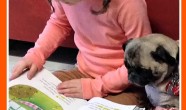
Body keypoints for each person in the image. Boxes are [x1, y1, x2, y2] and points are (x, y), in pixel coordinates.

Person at [10, 0, 152, 107]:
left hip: (128, 85)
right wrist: (36, 54)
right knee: (29, 93)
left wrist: (95, 87)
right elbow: (59, 22)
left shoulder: (129, 4)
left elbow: (141, 62)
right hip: (83, 72)